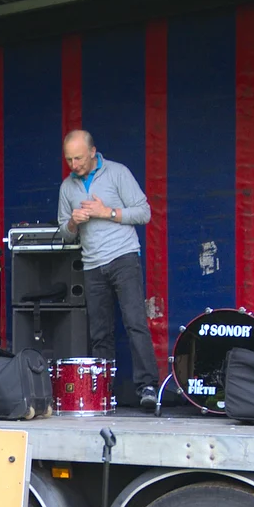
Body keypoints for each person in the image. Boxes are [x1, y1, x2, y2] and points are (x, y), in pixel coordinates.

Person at [57, 129, 159, 409]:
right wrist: (73, 223)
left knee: (135, 322)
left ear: (92, 152)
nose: (74, 165)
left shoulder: (117, 173)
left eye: (78, 158)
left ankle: (148, 387)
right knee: (100, 333)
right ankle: (102, 393)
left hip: (123, 256)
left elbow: (144, 212)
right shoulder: (67, 187)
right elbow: (64, 233)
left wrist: (108, 212)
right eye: (69, 160)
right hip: (92, 263)